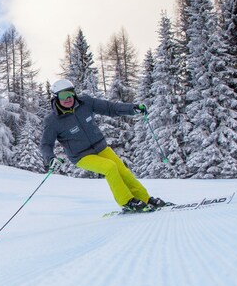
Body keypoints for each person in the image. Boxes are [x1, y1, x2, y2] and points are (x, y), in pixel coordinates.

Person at [40, 79, 170, 213]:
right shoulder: (52, 121)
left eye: (70, 94)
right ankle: (126, 201)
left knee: (122, 171)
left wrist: (132, 108)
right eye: (62, 96)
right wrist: (50, 158)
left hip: (101, 147)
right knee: (110, 168)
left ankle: (145, 199)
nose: (67, 99)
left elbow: (110, 108)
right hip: (81, 156)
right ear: (55, 98)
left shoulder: (85, 103)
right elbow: (45, 144)